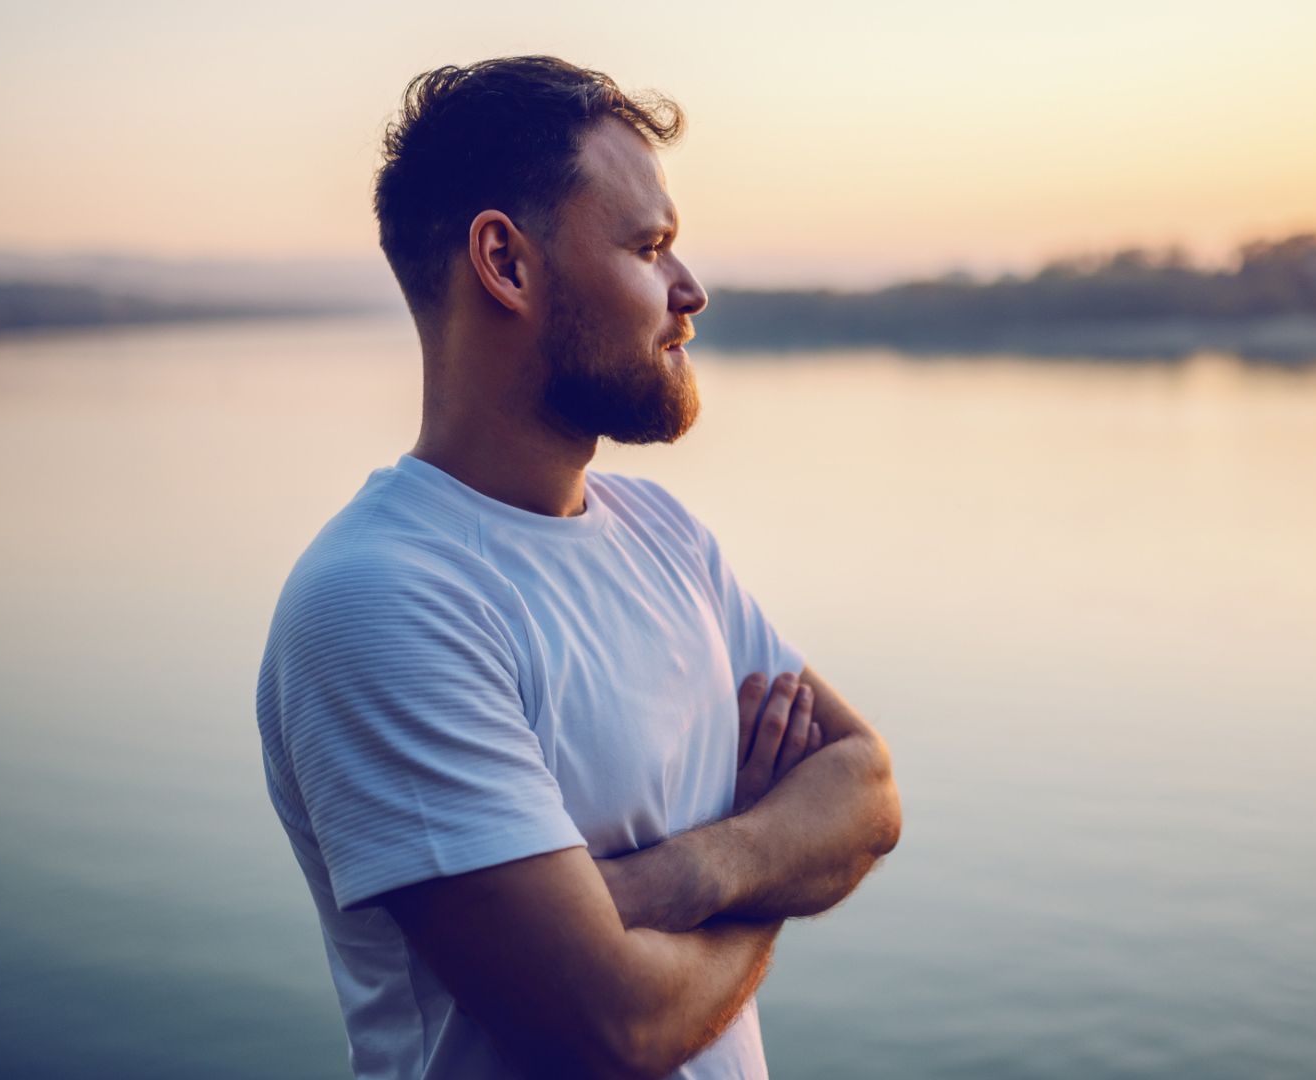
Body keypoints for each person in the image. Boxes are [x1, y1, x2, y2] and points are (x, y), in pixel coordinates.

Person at [254, 55, 902, 1080]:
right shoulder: (383, 604)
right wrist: (779, 858)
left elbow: (866, 790)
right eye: (649, 247)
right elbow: (617, 1027)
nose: (688, 291)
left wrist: (694, 870)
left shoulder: (665, 535)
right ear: (505, 264)